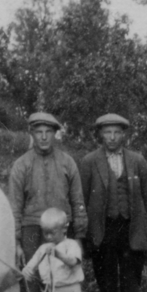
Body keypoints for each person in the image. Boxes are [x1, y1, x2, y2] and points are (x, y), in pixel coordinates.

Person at [79, 113, 147, 292]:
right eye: (107, 132)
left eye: (116, 132)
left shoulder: (137, 161)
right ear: (101, 135)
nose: (112, 137)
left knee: (131, 282)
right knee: (106, 283)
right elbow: (81, 199)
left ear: (124, 135)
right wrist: (81, 236)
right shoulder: (90, 161)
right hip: (103, 231)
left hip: (131, 229)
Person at [7, 112, 88, 277]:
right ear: (32, 134)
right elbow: (14, 206)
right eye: (39, 132)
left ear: (55, 134)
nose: (44, 137)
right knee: (32, 279)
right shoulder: (21, 165)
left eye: (48, 132)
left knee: (62, 276)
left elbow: (78, 201)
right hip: (32, 230)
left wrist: (79, 237)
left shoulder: (67, 162)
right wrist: (16, 243)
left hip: (62, 229)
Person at [21, 208, 85, 292]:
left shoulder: (71, 245)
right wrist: (27, 271)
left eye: (52, 233)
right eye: (46, 233)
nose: (49, 237)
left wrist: (58, 254)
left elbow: (73, 261)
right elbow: (30, 266)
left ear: (64, 229)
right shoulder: (43, 249)